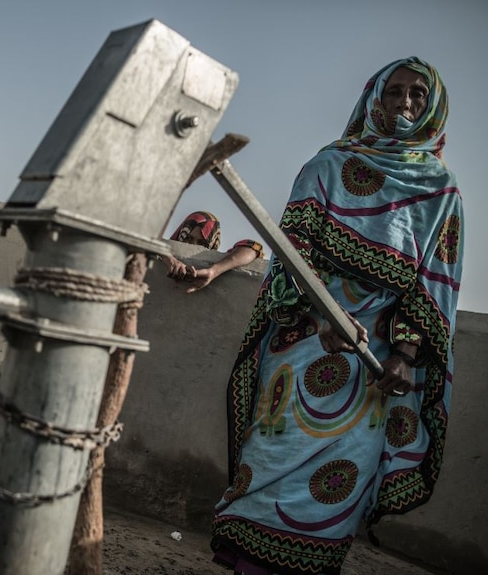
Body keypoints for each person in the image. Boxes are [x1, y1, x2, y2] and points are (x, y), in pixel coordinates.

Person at [209, 57, 464, 575]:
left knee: (334, 492)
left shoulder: (442, 192)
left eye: (418, 94)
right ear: (375, 98)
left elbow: (432, 284)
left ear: (433, 106)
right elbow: (289, 256)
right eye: (394, 92)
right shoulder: (327, 166)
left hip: (373, 373)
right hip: (302, 351)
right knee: (270, 468)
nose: (405, 103)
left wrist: (406, 355)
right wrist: (322, 316)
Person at [161, 211, 264, 292]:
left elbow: (253, 247)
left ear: (213, 243)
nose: (193, 245)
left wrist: (213, 271)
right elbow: (148, 237)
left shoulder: (220, 261)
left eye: (202, 242)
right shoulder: (164, 254)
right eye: (188, 238)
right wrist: (167, 256)